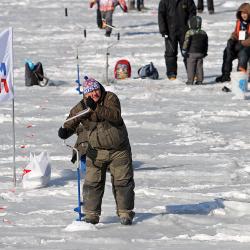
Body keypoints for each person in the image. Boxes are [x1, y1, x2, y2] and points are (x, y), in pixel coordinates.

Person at [58, 76, 135, 225]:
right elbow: (72, 120)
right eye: (90, 92)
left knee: (123, 182)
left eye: (96, 90)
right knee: (92, 183)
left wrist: (95, 107)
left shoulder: (110, 98)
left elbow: (115, 116)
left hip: (119, 150)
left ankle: (125, 213)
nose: (94, 94)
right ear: (85, 94)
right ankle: (91, 215)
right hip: (95, 151)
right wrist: (65, 131)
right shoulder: (82, 106)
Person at [158, 0, 197, 80]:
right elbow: (161, 15)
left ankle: (192, 73)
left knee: (188, 53)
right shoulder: (164, 2)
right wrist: (163, 29)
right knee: (170, 53)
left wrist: (191, 25)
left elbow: (192, 12)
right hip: (170, 32)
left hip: (185, 31)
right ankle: (171, 74)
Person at [216, 3, 250, 83]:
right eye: (242, 13)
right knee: (227, 50)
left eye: (245, 13)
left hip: (247, 46)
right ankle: (226, 75)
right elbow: (235, 33)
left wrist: (243, 43)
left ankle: (240, 77)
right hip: (240, 44)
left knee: (243, 54)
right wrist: (232, 39)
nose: (243, 15)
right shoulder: (239, 22)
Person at [182, 16, 208, 85]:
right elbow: (206, 44)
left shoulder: (189, 32)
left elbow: (186, 42)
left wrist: (184, 49)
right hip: (201, 52)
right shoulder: (204, 33)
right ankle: (200, 80)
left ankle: (190, 81)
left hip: (191, 53)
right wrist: (205, 52)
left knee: (191, 66)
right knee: (199, 66)